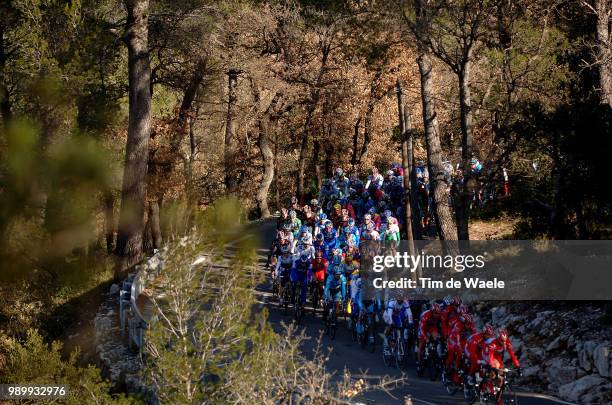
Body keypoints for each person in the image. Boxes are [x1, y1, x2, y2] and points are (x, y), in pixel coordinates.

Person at [417, 302, 443, 370]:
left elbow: (441, 325)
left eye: (438, 314)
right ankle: (419, 363)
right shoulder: (426, 315)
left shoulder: (438, 314)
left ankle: (434, 351)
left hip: (431, 326)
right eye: (435, 314)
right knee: (421, 343)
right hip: (423, 326)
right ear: (432, 311)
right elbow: (421, 328)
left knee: (436, 337)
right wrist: (425, 337)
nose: (437, 315)